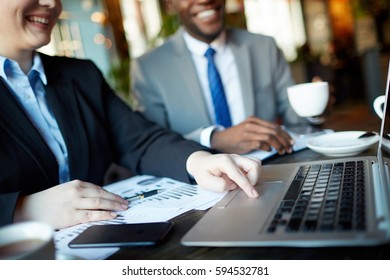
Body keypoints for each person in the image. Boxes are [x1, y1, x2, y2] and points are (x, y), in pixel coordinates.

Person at [0, 0, 261, 230]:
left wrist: (198, 161)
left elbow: (139, 139)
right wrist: (22, 209)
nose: (51, 2)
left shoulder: (81, 75)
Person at [132, 0, 313, 156]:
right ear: (170, 4)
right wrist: (214, 139)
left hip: (271, 169)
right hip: (195, 185)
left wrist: (315, 109)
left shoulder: (264, 47)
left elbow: (296, 119)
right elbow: (153, 145)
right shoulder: (149, 68)